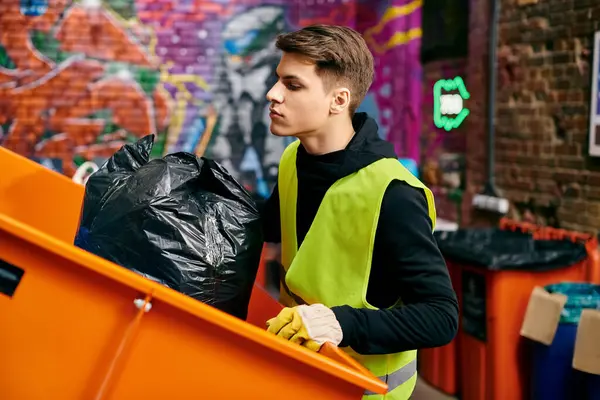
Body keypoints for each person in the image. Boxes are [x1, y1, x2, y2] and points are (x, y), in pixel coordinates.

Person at [261, 24, 459, 400]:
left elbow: (441, 316)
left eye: (293, 84)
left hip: (363, 390)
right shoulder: (294, 160)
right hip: (302, 372)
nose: (273, 94)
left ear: (338, 100)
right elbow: (270, 225)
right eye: (277, 81)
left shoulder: (393, 193)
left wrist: (341, 323)